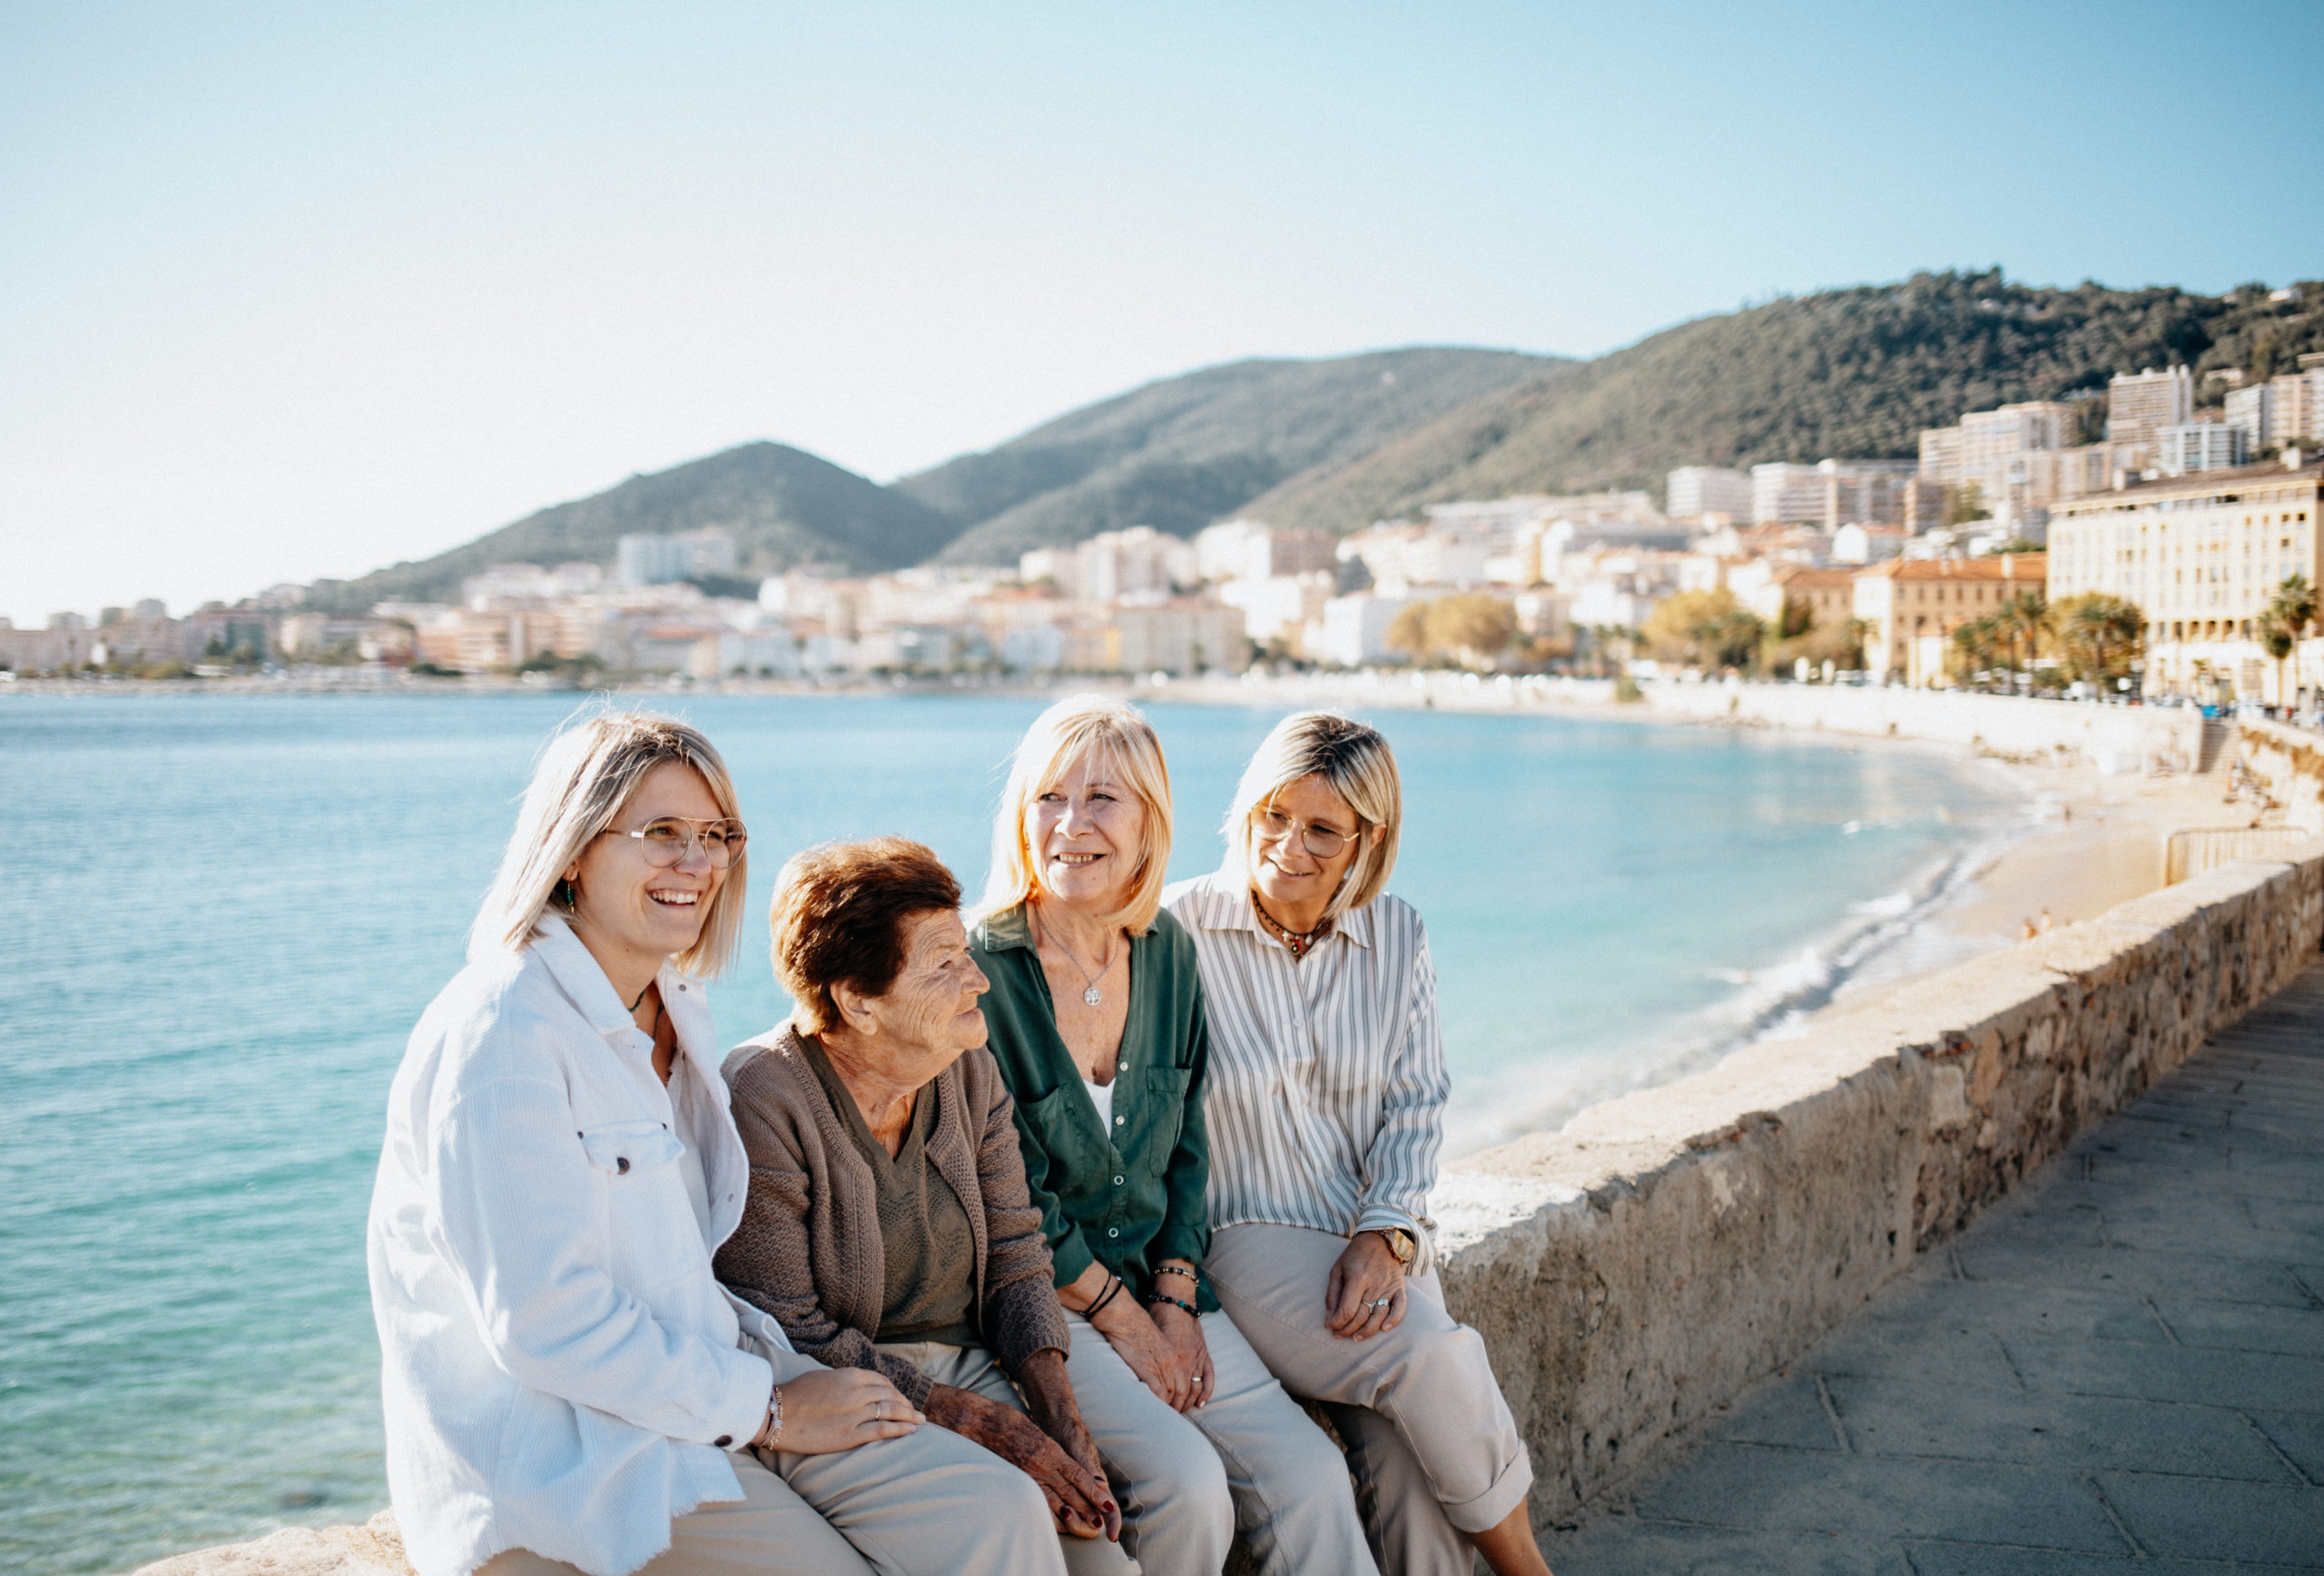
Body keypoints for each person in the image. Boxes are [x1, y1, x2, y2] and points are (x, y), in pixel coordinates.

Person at [368, 711, 1061, 1576]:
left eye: (716, 835)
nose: (696, 864)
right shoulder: (504, 1033)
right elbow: (545, 1324)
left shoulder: (673, 1004)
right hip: (579, 1450)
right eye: (661, 833)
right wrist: (772, 1409)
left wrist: (782, 1386)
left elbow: (677, 1269)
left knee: (995, 1513)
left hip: (708, 1392)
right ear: (575, 849)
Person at [970, 695, 1376, 1576]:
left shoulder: (1166, 951)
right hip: (1046, 1303)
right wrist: (1127, 1317)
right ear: (1020, 815)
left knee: (1309, 1475)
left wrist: (1175, 1295)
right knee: (1185, 1486)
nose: (1071, 824)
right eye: (1049, 797)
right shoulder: (978, 971)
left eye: (1103, 799)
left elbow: (1188, 1146)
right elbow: (1011, 1194)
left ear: (1151, 820)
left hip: (1161, 1292)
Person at [1164, 711, 1552, 1576]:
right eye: (1274, 815)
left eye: (1322, 830)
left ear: (1367, 839)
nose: (1288, 846)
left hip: (1371, 1235)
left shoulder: (1400, 934)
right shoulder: (1174, 933)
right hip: (1244, 1235)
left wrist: (1387, 1234)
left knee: (1412, 1472)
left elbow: (1417, 1103)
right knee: (1429, 1353)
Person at [715, 836, 1128, 1573]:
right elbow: (785, 1323)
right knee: (1013, 1518)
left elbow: (1014, 1251)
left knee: (1108, 1542)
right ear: (858, 1001)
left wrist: (1060, 1421)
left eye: (965, 953)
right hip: (847, 1385)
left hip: (976, 1357)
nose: (980, 981)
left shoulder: (967, 1064)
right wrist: (983, 1421)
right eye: (944, 964)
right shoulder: (765, 1096)